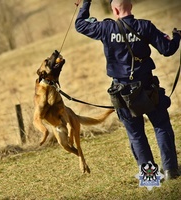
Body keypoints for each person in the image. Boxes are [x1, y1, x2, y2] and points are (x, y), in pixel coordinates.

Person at [75, 0, 181, 180]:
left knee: (136, 135)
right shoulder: (145, 26)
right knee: (161, 126)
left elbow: (80, 24)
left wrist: (85, 2)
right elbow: (167, 49)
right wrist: (177, 36)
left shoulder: (106, 28)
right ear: (130, 7)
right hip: (148, 89)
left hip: (122, 93)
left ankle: (150, 177)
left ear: (115, 10)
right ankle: (171, 170)